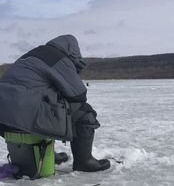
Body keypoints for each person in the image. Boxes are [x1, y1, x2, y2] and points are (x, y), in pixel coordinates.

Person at [0, 34, 110, 172]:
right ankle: (84, 161)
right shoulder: (58, 58)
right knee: (85, 112)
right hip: (25, 112)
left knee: (47, 106)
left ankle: (47, 154)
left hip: (4, 118)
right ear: (72, 50)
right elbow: (78, 95)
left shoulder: (32, 55)